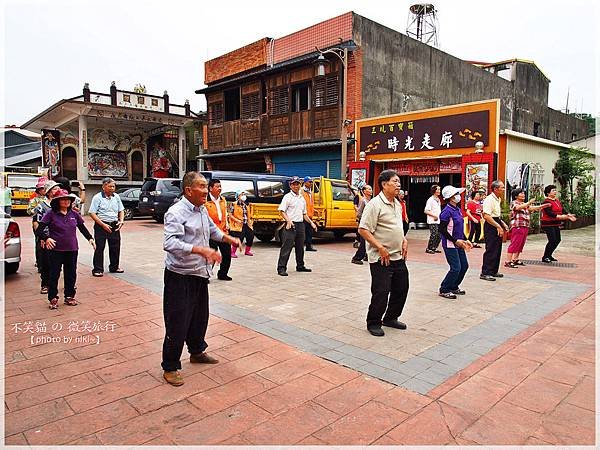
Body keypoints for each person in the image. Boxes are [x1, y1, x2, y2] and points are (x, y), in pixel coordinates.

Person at [161, 172, 241, 386]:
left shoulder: (202, 210)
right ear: (188, 190)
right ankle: (170, 366)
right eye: (202, 187)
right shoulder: (176, 212)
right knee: (178, 322)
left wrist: (229, 238)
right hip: (180, 276)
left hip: (199, 274)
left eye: (207, 187)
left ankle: (196, 351)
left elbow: (213, 231)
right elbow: (170, 244)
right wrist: (202, 251)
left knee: (199, 317)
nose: (207, 191)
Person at [358, 170, 409, 337]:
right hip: (381, 257)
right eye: (395, 181)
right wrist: (380, 247)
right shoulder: (374, 204)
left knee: (402, 288)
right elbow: (363, 229)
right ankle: (373, 322)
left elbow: (397, 226)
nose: (398, 185)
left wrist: (404, 240)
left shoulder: (397, 203)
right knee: (381, 291)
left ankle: (391, 318)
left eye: (399, 182)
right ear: (384, 184)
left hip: (397, 256)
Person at [35, 189, 95, 309]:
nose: (66, 201)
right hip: (55, 250)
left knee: (71, 274)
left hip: (72, 249)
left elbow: (82, 228)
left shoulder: (74, 214)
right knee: (54, 274)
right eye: (63, 199)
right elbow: (39, 229)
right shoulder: (51, 213)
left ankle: (69, 296)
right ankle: (53, 297)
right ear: (57, 201)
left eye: (68, 199)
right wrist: (47, 238)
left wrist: (90, 238)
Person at [277, 176, 318, 276]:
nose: (296, 186)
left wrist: (311, 223)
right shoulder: (287, 197)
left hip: (300, 225)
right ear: (290, 186)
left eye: (297, 184)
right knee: (287, 246)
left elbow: (304, 214)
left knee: (300, 247)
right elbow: (281, 211)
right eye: (293, 184)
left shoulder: (302, 198)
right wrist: (288, 221)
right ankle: (281, 268)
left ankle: (300, 266)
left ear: (300, 185)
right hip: (291, 224)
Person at [438, 186, 473, 299]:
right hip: (450, 244)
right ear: (451, 197)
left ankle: (453, 286)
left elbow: (459, 227)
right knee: (456, 268)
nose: (459, 196)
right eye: (456, 194)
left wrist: (465, 239)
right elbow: (442, 230)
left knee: (464, 266)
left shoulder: (457, 209)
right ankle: (444, 289)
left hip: (459, 243)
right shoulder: (446, 212)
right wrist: (455, 240)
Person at [505, 188, 550, 268]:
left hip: (525, 225)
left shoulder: (524, 203)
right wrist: (529, 202)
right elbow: (518, 208)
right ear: (516, 196)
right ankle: (508, 261)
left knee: (521, 243)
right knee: (515, 243)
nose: (523, 195)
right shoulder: (514, 203)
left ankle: (515, 259)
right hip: (517, 225)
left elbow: (531, 208)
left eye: (523, 193)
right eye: (521, 193)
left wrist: (542, 206)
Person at [89, 177, 125, 277]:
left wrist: (121, 221)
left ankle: (114, 266)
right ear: (104, 187)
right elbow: (92, 213)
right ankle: (98, 269)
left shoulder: (116, 197)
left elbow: (121, 210)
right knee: (100, 247)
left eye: (113, 186)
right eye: (110, 186)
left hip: (114, 224)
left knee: (115, 246)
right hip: (101, 225)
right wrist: (102, 224)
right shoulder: (97, 197)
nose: (112, 188)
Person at [33, 180, 61, 293]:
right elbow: (36, 223)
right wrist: (42, 237)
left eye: (57, 188)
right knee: (46, 262)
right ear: (48, 192)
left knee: (59, 262)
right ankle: (45, 284)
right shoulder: (41, 206)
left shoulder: (62, 204)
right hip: (46, 237)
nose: (57, 190)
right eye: (54, 189)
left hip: (59, 237)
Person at [480, 180, 509, 281]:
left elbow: (496, 215)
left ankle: (493, 270)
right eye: (502, 187)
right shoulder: (489, 199)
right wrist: (498, 226)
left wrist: (502, 224)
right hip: (490, 224)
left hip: (496, 221)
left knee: (497, 248)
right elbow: (487, 216)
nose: (503, 189)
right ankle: (485, 272)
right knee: (491, 248)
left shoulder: (498, 199)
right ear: (495, 189)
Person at [540, 184, 576, 263]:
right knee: (552, 240)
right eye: (553, 191)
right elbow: (549, 213)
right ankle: (545, 256)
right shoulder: (546, 202)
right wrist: (561, 217)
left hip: (555, 223)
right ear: (548, 193)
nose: (555, 192)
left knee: (558, 240)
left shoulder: (556, 201)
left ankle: (549, 255)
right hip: (548, 223)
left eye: (555, 190)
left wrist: (568, 214)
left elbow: (562, 209)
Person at [205, 179, 233, 280]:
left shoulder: (223, 200)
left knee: (227, 254)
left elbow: (225, 213)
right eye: (217, 186)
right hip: (210, 233)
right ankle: (206, 275)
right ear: (210, 188)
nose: (220, 188)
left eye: (220, 186)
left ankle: (223, 274)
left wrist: (228, 224)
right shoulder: (205, 201)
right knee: (212, 254)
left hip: (223, 231)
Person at [351, 184, 372, 265]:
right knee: (364, 242)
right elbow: (359, 213)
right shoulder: (363, 201)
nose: (370, 190)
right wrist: (364, 219)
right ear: (364, 191)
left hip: (369, 224)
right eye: (368, 189)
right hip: (363, 224)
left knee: (369, 241)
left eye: (371, 189)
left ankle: (367, 256)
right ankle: (356, 258)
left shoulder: (370, 201)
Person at [229, 190, 254, 256]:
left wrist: (250, 221)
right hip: (239, 224)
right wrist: (237, 220)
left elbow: (248, 214)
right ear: (238, 196)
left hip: (247, 224)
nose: (243, 196)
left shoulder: (246, 205)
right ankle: (232, 252)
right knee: (239, 238)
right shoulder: (234, 204)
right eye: (241, 194)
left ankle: (247, 251)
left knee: (250, 237)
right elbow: (230, 215)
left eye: (244, 194)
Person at [424, 184, 442, 254]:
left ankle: (434, 247)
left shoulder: (438, 199)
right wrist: (434, 216)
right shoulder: (430, 200)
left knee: (439, 235)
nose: (439, 191)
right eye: (438, 189)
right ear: (434, 191)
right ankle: (429, 248)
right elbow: (426, 211)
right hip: (432, 221)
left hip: (438, 220)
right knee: (434, 234)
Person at [302, 176, 317, 252]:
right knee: (302, 232)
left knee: (309, 232)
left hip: (310, 215)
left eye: (311, 182)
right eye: (309, 182)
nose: (311, 183)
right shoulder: (302, 191)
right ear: (305, 182)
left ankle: (308, 246)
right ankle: (300, 246)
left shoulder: (310, 192)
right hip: (303, 215)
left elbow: (310, 204)